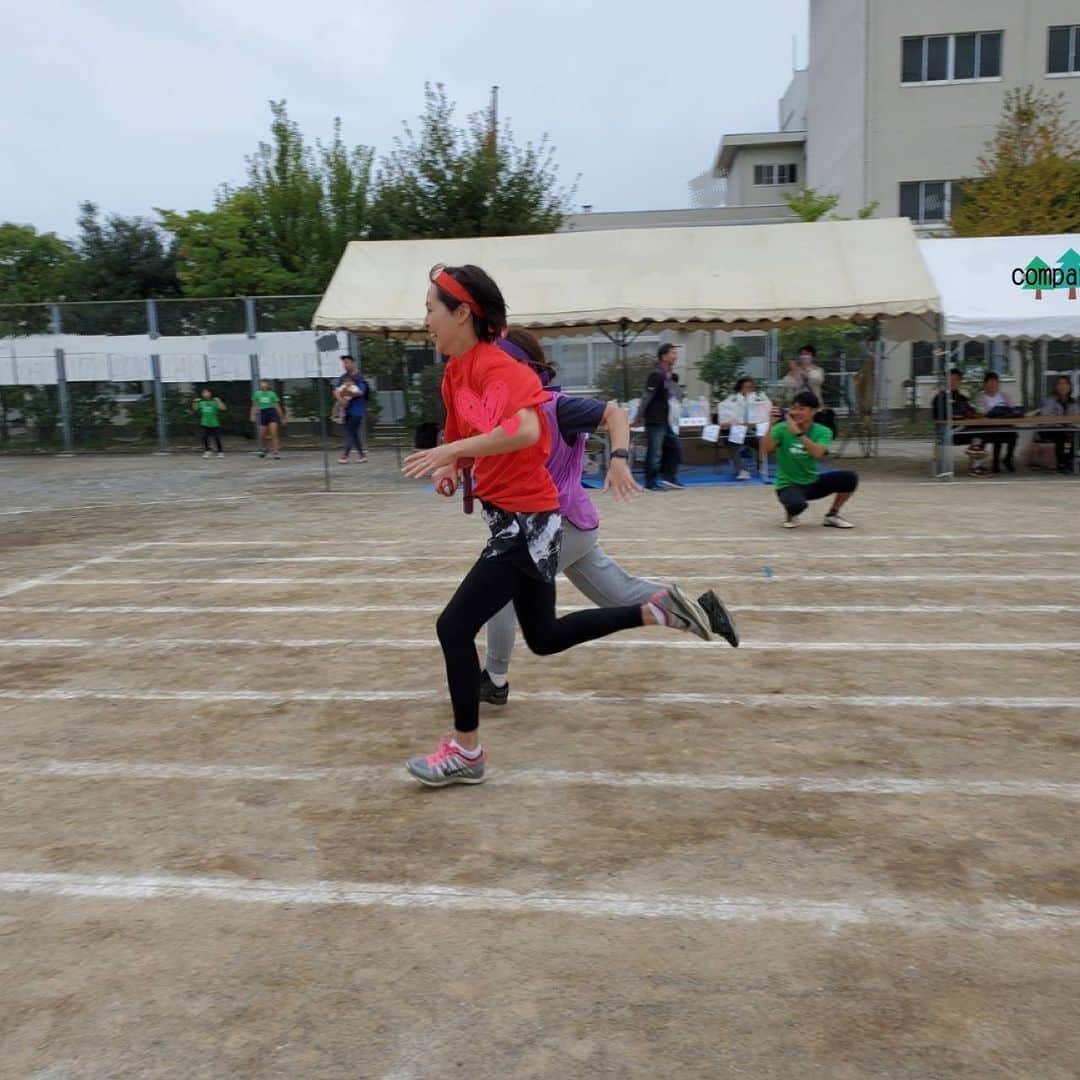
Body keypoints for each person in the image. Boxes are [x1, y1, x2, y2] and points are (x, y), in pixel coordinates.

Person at [401, 263, 714, 787]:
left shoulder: (503, 369)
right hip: (519, 519)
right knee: (543, 637)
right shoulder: (456, 374)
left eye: (431, 309)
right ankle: (653, 611)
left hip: (527, 523)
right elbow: (466, 438)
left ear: (462, 313)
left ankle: (467, 753)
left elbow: (523, 430)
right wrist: (452, 468)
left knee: (452, 627)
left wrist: (452, 449)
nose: (425, 320)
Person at [478, 328, 739, 705]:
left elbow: (616, 414)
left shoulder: (556, 405)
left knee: (499, 593)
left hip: (558, 523)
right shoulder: (513, 412)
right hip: (565, 526)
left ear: (519, 367)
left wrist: (618, 459)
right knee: (618, 594)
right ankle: (701, 610)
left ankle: (495, 680)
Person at [762, 390, 858, 529]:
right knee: (797, 505)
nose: (797, 412)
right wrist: (771, 424)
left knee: (850, 478)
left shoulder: (823, 431)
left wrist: (798, 433)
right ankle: (791, 514)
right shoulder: (782, 428)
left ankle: (832, 515)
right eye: (794, 408)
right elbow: (765, 450)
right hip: (788, 484)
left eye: (802, 409)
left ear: (813, 411)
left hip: (812, 482)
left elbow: (817, 454)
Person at [639, 343, 685, 490]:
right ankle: (650, 482)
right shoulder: (656, 374)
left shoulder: (666, 375)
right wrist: (638, 417)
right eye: (673, 353)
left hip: (664, 420)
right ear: (664, 356)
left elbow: (679, 395)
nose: (675, 356)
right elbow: (646, 396)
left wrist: (672, 378)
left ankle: (669, 477)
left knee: (675, 447)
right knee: (655, 452)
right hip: (654, 419)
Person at [717, 376, 772, 480]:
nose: (749, 389)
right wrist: (727, 422)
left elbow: (765, 415)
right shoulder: (732, 399)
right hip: (736, 431)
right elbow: (724, 414)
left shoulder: (758, 399)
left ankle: (762, 467)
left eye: (751, 387)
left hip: (752, 431)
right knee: (731, 443)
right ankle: (742, 470)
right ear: (740, 388)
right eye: (746, 387)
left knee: (763, 442)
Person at [932, 368, 985, 474]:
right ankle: (973, 453)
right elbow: (939, 417)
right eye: (950, 379)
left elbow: (971, 412)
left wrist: (973, 414)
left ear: (960, 382)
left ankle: (976, 467)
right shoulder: (939, 398)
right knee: (976, 434)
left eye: (956, 379)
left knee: (981, 433)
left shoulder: (963, 398)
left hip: (963, 430)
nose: (952, 382)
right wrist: (957, 416)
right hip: (946, 433)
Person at [781, 345, 836, 437]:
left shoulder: (818, 370)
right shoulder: (793, 371)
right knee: (798, 434)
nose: (804, 356)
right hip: (798, 408)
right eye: (802, 354)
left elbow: (816, 380)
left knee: (815, 433)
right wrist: (794, 372)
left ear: (812, 356)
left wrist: (805, 370)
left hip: (814, 408)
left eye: (807, 354)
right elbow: (790, 385)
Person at [977, 371, 1018, 474]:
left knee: (1013, 434)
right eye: (990, 382)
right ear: (985, 384)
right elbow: (980, 413)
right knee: (996, 434)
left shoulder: (1004, 396)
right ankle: (993, 463)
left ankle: (1007, 459)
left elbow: (1012, 410)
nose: (992, 384)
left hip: (1004, 425)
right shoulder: (981, 398)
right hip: (987, 428)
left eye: (995, 382)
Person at [1036, 374, 1077, 472]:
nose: (1063, 386)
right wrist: (1062, 422)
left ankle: (1067, 462)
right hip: (1050, 429)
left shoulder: (1072, 402)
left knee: (1068, 434)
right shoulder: (1050, 400)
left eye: (1065, 384)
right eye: (1060, 384)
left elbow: (1076, 418)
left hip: (1068, 430)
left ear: (1070, 386)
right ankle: (1063, 463)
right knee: (1063, 434)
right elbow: (1046, 416)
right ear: (1055, 387)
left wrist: (1068, 424)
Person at [334, 354, 369, 463]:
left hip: (357, 410)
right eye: (344, 363)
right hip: (346, 411)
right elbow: (336, 391)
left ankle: (345, 455)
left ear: (353, 363)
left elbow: (360, 392)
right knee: (353, 433)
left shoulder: (360, 378)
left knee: (349, 431)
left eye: (347, 362)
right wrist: (340, 400)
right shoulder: (343, 378)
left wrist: (347, 396)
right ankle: (362, 455)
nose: (345, 365)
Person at [250, 380, 285, 459]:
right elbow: (254, 405)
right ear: (260, 386)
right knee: (262, 434)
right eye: (262, 386)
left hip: (272, 412)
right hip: (263, 413)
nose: (263, 387)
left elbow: (277, 406)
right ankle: (265, 448)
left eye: (265, 386)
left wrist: (282, 417)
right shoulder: (257, 394)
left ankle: (276, 451)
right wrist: (252, 415)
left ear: (267, 386)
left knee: (273, 433)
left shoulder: (272, 394)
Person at [192, 387, 225, 458]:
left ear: (211, 393)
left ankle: (220, 451)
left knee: (217, 438)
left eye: (207, 392)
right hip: (204, 423)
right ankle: (207, 451)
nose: (205, 394)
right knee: (204, 437)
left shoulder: (214, 402)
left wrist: (219, 401)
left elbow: (223, 408)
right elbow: (195, 408)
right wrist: (194, 402)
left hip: (214, 423)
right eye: (204, 393)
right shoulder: (201, 402)